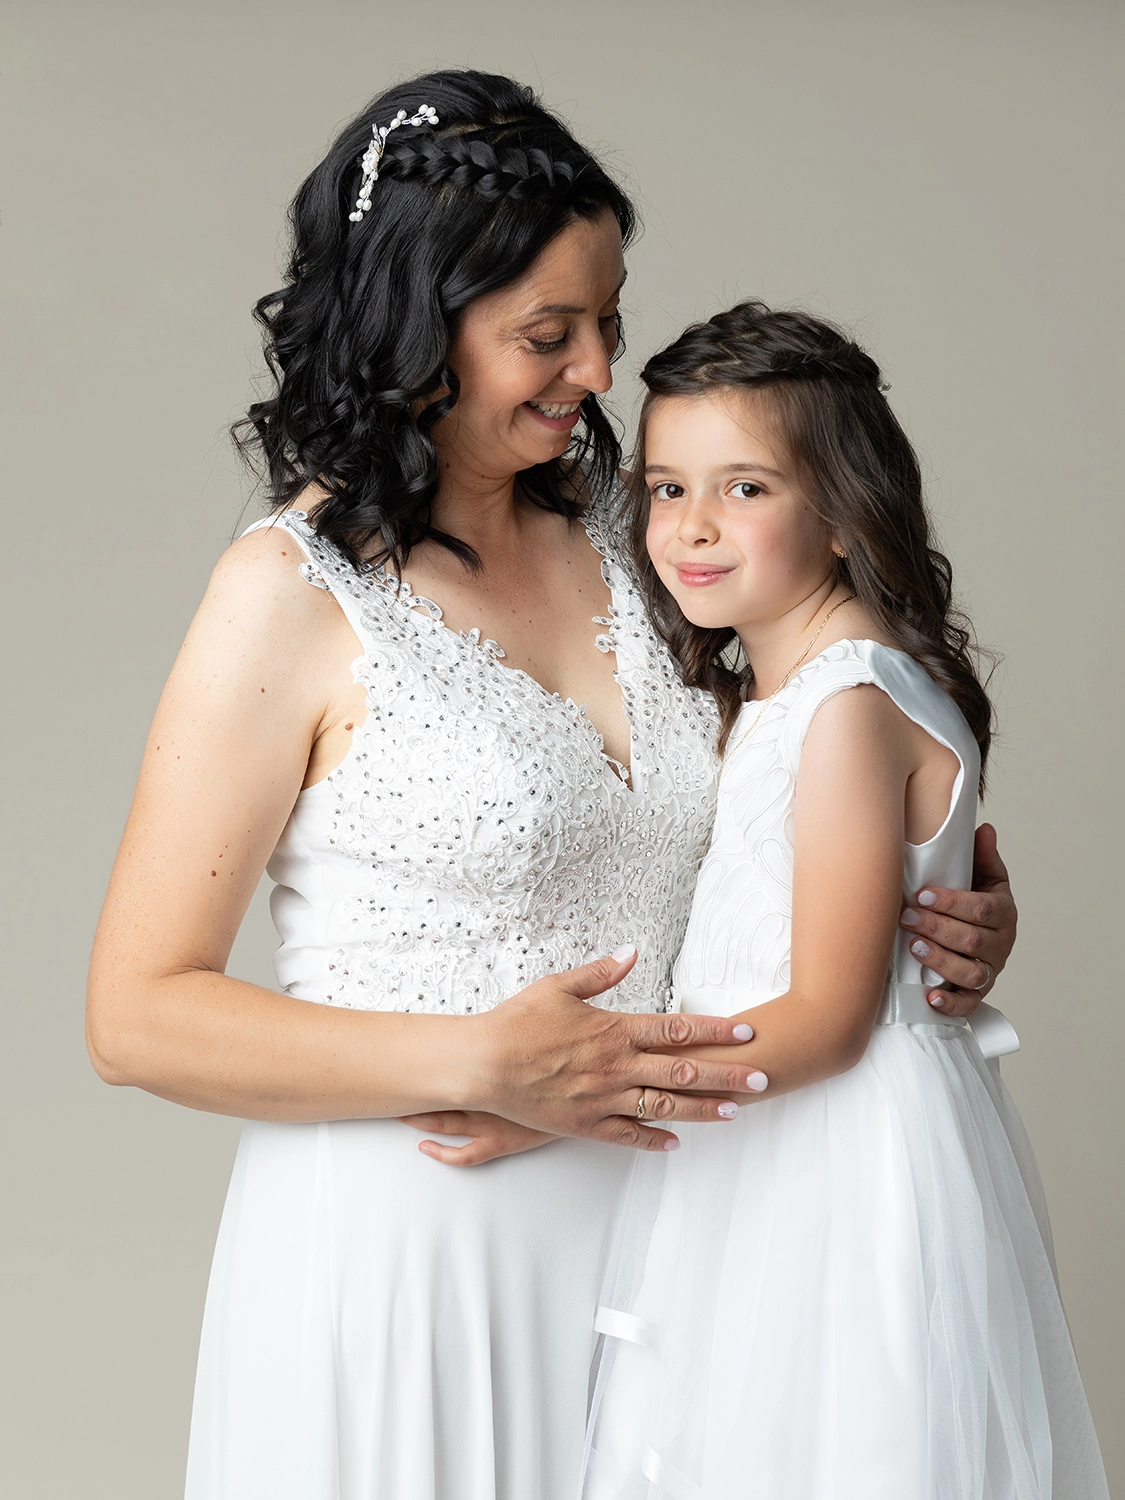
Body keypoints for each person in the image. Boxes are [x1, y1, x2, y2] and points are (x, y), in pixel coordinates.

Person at [84, 72, 1018, 1500]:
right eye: (547, 333)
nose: (596, 371)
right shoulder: (290, 595)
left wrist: (933, 902)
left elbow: (811, 775)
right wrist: (481, 1064)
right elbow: (136, 1014)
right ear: (416, 325)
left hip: (692, 1240)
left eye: (609, 321)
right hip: (412, 1252)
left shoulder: (649, 539)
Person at [571, 303, 1107, 1499]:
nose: (692, 527)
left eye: (746, 488)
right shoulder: (800, 690)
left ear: (842, 509)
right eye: (665, 487)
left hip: (823, 1155)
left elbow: (823, 1019)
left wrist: (577, 1086)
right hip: (764, 1137)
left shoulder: (846, 704)